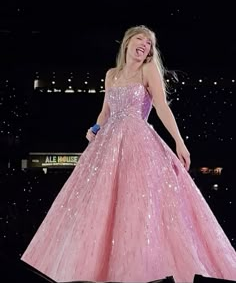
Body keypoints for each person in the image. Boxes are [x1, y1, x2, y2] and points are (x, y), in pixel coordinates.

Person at [21, 25, 236, 283]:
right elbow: (105, 111)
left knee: (138, 202)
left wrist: (180, 142)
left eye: (149, 43)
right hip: (108, 144)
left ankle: (140, 269)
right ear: (127, 42)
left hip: (138, 142)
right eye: (140, 39)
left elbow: (161, 108)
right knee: (99, 205)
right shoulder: (111, 74)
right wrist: (95, 128)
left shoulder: (148, 70)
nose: (145, 44)